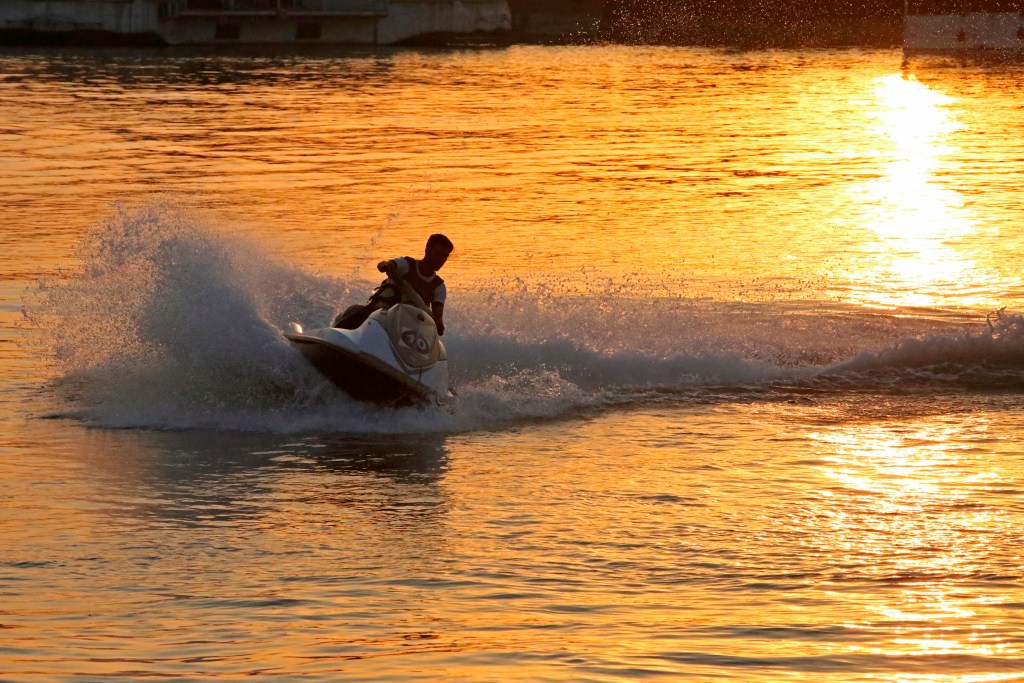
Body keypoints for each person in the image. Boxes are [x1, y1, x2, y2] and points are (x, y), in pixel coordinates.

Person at [333, 233, 454, 335]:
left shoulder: (438, 287)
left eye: (445, 256)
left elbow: (437, 320)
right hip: (378, 315)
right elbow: (390, 264)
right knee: (359, 311)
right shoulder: (407, 265)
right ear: (427, 250)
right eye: (438, 254)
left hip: (405, 330)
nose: (441, 260)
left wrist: (438, 323)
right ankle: (336, 336)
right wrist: (386, 266)